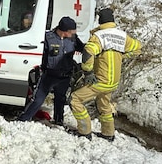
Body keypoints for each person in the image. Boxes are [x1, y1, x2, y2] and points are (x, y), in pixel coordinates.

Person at [69, 8, 142, 141]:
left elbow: (88, 52)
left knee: (74, 99)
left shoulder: (99, 36)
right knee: (104, 105)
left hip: (100, 81)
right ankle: (108, 133)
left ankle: (84, 131)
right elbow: (137, 48)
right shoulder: (122, 36)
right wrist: (122, 57)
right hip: (113, 82)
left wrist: (88, 71)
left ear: (100, 21)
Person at [18, 16, 85, 125]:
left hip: (65, 77)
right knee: (37, 100)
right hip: (48, 76)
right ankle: (23, 120)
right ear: (64, 31)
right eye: (71, 31)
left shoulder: (73, 38)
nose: (73, 33)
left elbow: (83, 49)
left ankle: (58, 121)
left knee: (60, 100)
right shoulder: (48, 37)